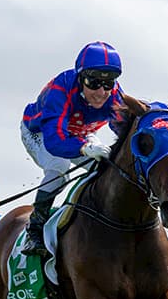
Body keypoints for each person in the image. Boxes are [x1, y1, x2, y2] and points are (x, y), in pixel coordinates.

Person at [20, 41, 125, 256]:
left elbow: (125, 129)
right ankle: (35, 230)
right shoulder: (61, 89)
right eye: (93, 83)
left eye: (108, 83)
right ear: (80, 77)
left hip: (80, 132)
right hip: (41, 132)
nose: (101, 92)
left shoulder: (115, 95)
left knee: (108, 167)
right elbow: (55, 141)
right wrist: (84, 148)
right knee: (59, 169)